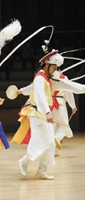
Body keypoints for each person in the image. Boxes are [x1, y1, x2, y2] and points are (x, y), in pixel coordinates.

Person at [17, 49, 85, 180]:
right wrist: (48, 112)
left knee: (50, 143)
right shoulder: (39, 78)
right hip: (37, 114)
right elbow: (39, 95)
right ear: (47, 64)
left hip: (44, 115)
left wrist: (83, 88)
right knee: (40, 142)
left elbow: (68, 85)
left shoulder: (49, 79)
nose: (56, 69)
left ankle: (42, 171)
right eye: (54, 67)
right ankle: (24, 162)